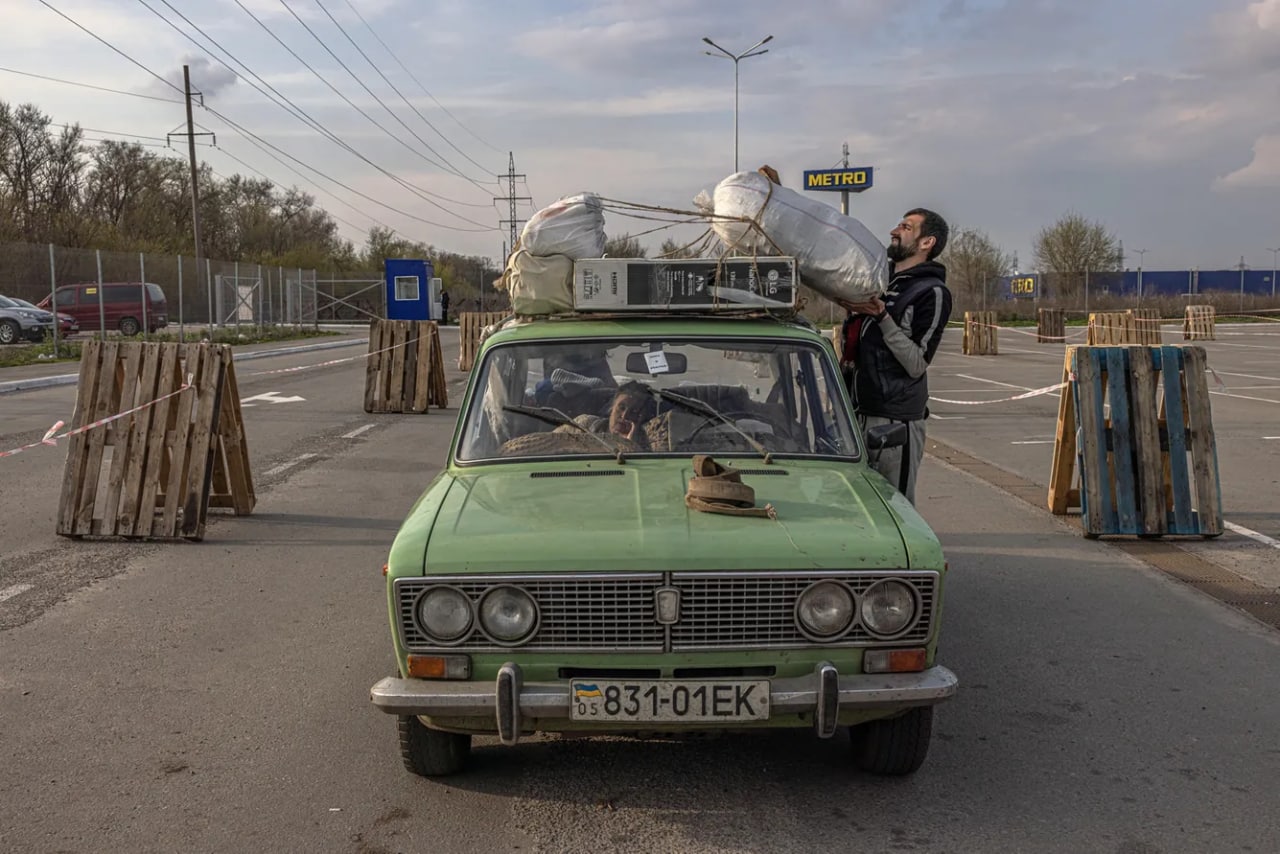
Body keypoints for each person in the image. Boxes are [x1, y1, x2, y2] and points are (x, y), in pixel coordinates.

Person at [839, 208, 952, 505]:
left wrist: (882, 317)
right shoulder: (878, 280)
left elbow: (916, 363)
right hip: (856, 411)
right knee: (858, 501)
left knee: (894, 506)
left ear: (927, 242)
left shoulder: (931, 292)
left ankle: (909, 553)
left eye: (906, 227)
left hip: (894, 421)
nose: (894, 230)